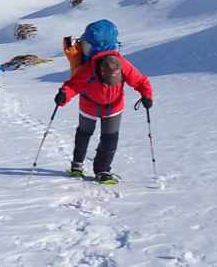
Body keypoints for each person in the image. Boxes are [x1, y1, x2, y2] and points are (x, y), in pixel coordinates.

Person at [54, 19, 153, 184]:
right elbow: (140, 80)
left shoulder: (89, 67)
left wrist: (64, 94)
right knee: (110, 138)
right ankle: (102, 171)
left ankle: (78, 166)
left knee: (84, 134)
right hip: (113, 106)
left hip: (89, 105)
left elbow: (73, 85)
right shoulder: (121, 63)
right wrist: (146, 95)